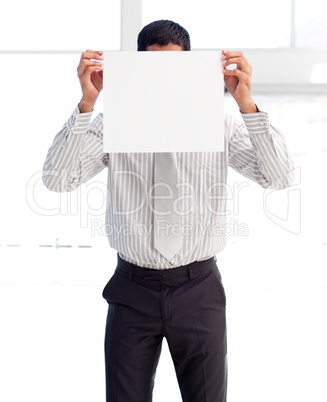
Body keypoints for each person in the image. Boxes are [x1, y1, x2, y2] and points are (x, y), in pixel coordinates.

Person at [42, 20, 294, 402]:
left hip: (199, 289)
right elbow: (57, 181)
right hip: (132, 290)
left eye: (173, 70)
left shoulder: (220, 127)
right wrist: (87, 105)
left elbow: (279, 177)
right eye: (152, 70)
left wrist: (246, 104)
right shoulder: (114, 127)